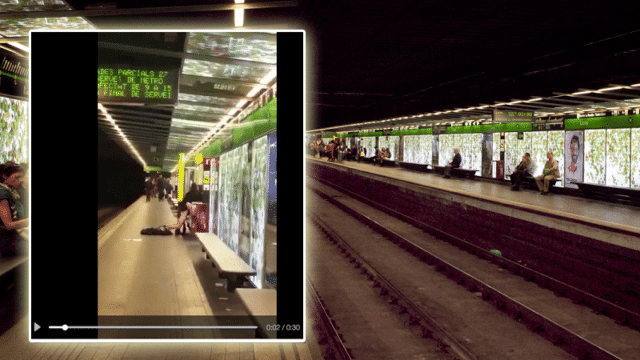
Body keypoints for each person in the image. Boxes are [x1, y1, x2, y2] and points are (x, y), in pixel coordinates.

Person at [0, 163, 29, 256]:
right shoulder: (2, 193)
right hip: (7, 242)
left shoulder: (11, 191)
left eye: (21, 177)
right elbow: (8, 224)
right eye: (17, 177)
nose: (20, 180)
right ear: (4, 176)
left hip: (14, 238)